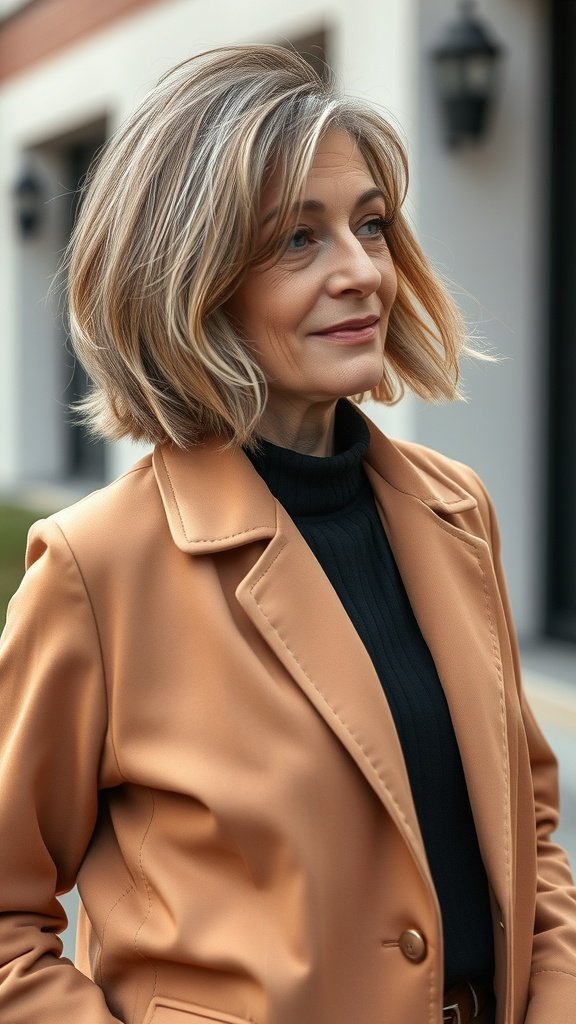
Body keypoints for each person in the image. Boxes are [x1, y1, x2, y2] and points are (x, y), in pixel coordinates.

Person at [0, 43, 574, 1024]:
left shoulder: (456, 509)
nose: (361, 272)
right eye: (296, 241)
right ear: (193, 278)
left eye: (371, 226)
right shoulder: (96, 570)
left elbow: (530, 824)